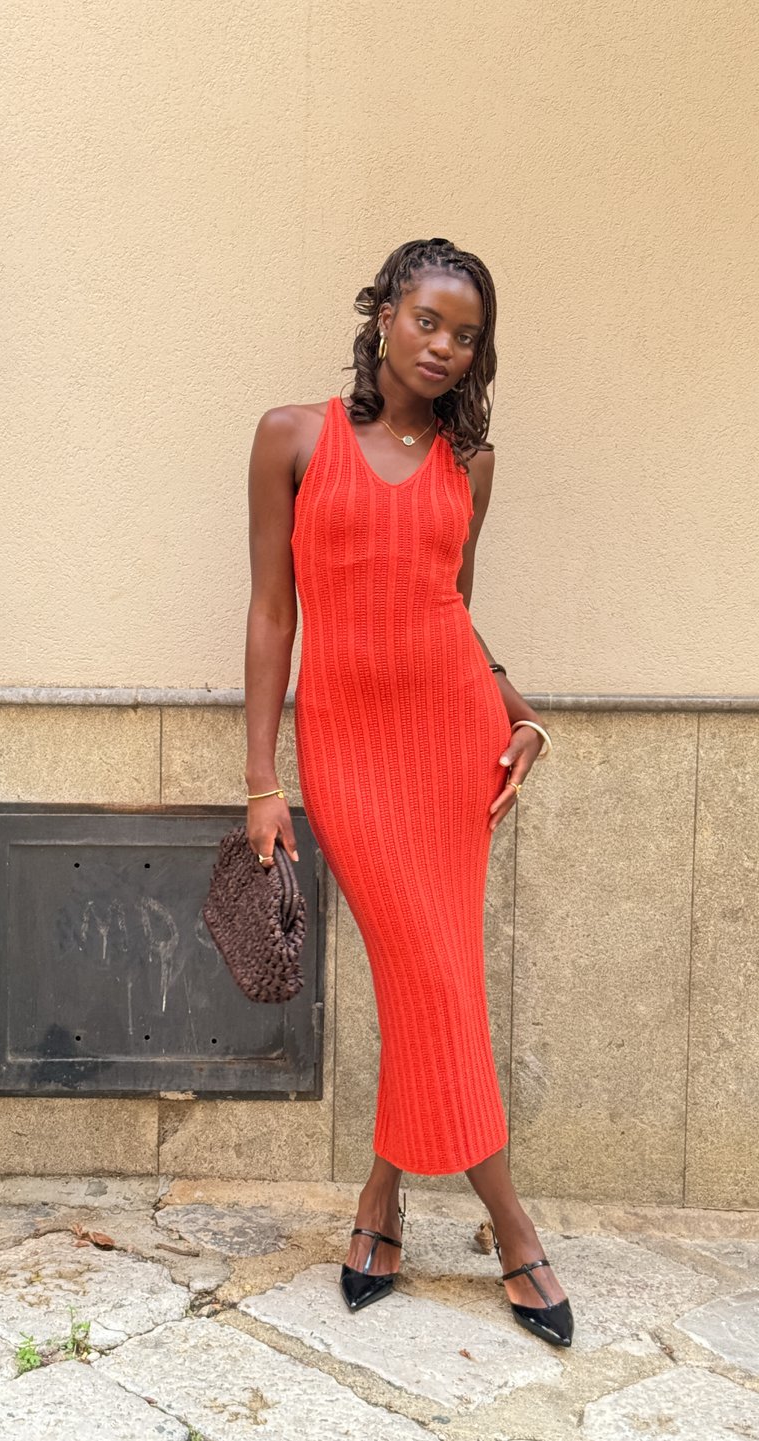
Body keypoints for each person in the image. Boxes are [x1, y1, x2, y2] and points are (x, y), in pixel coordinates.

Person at [242, 237, 573, 1349]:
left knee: (432, 982)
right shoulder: (293, 437)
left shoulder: (467, 462)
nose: (443, 346)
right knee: (429, 974)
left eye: (465, 334)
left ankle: (379, 1215)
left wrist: (516, 710)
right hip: (347, 749)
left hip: (451, 743)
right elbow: (270, 616)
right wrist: (261, 780)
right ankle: (511, 1227)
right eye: (427, 319)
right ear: (382, 312)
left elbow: (451, 611)